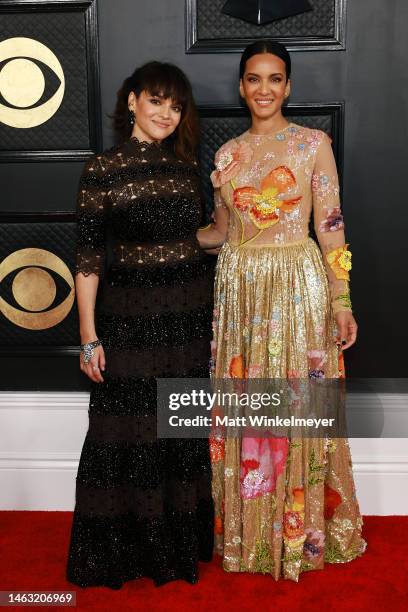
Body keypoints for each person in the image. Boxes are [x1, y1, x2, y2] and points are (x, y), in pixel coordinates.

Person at [197, 40, 366, 581]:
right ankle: (252, 537)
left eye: (274, 79)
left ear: (288, 86)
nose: (264, 89)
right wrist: (164, 231)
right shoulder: (225, 156)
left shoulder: (313, 144)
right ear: (241, 86)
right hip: (242, 296)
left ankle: (299, 538)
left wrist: (341, 301)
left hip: (297, 289)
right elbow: (221, 233)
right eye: (254, 79)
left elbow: (330, 226)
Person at [66, 61, 214, 589]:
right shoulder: (101, 170)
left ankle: (175, 551)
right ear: (132, 100)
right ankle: (127, 554)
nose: (167, 114)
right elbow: (87, 257)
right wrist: (88, 337)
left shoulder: (185, 168)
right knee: (125, 431)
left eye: (176, 107)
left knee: (179, 427)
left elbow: (199, 240)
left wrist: (236, 214)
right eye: (156, 101)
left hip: (188, 317)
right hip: (128, 319)